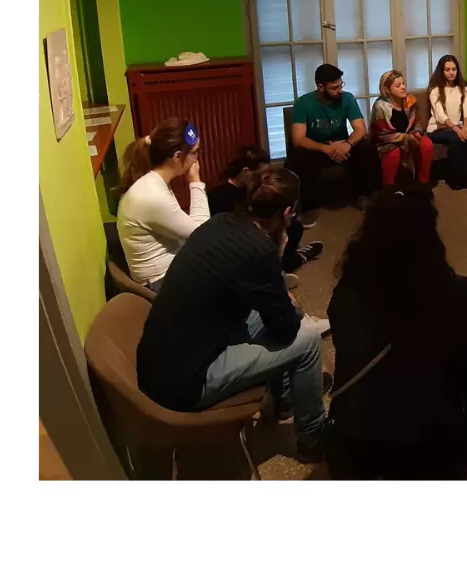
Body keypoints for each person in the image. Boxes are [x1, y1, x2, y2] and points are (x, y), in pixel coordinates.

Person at [136, 168, 329, 463]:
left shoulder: (220, 223)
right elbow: (285, 330)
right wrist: (277, 257)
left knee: (283, 315)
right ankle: (312, 438)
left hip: (161, 362)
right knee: (307, 340)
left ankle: (287, 399)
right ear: (287, 212)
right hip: (186, 383)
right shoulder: (260, 249)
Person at [324, 189, 467, 479]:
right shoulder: (455, 292)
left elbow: (346, 347)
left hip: (357, 442)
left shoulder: (348, 290)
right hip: (431, 441)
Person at [115, 118, 209, 291]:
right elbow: (202, 233)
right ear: (177, 157)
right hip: (160, 282)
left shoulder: (154, 181)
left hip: (168, 269)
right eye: (195, 153)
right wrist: (195, 181)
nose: (196, 159)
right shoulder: (152, 195)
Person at [286, 63, 383, 218]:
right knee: (298, 156)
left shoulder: (347, 98)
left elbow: (360, 129)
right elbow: (298, 138)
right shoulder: (303, 103)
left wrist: (347, 144)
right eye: (335, 88)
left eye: (341, 85)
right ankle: (308, 207)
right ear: (321, 87)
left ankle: (365, 196)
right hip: (317, 149)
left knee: (366, 147)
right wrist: (325, 148)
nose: (340, 90)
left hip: (342, 145)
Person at [210, 145, 324, 272]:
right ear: (246, 171)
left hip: (257, 226)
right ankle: (294, 260)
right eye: (260, 175)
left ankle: (287, 261)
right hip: (242, 237)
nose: (264, 179)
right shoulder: (221, 197)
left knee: (294, 227)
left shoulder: (254, 188)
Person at [371, 70, 434, 187]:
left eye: (404, 84)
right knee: (393, 154)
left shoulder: (410, 100)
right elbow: (381, 134)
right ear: (387, 89)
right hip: (387, 142)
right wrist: (405, 138)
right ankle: (389, 188)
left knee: (426, 144)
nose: (403, 87)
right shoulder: (380, 106)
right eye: (398, 85)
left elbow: (417, 122)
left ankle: (423, 181)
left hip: (409, 136)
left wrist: (417, 132)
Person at [426, 55, 467, 190]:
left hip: (456, 127)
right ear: (442, 71)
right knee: (456, 139)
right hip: (437, 129)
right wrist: (457, 130)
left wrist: (464, 128)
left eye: (454, 69)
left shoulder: (462, 88)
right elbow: (440, 116)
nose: (451, 72)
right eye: (447, 70)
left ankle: (464, 175)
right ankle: (453, 178)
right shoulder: (435, 90)